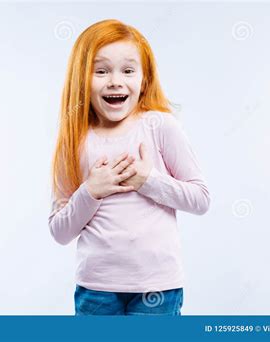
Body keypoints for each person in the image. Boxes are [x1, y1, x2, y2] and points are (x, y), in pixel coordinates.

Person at [49, 19, 210, 315]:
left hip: (158, 287)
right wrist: (90, 191)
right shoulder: (74, 140)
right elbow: (60, 232)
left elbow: (201, 200)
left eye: (128, 70)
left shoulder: (160, 126)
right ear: (81, 78)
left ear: (144, 79)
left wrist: (148, 180)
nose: (115, 81)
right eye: (101, 71)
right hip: (96, 290)